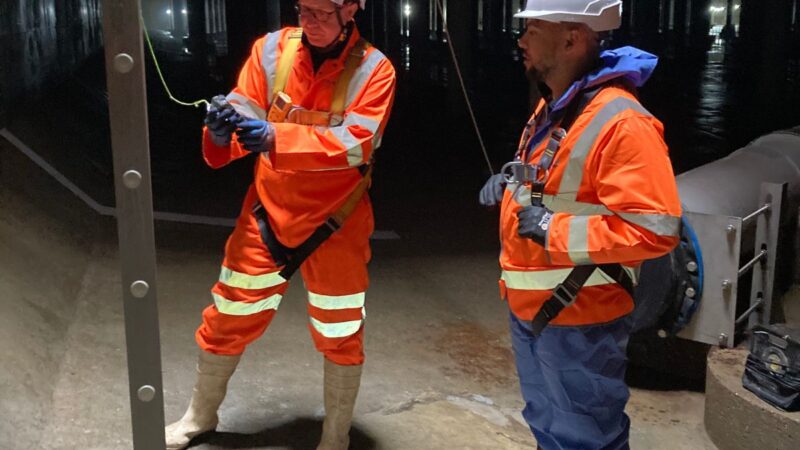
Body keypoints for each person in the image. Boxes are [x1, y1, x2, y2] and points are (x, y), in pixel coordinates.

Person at [165, 1, 396, 449]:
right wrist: (219, 132)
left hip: (335, 224)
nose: (310, 22)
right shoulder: (272, 51)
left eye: (323, 13)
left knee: (340, 331)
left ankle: (335, 436)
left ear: (351, 10)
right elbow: (241, 108)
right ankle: (198, 417)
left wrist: (276, 137)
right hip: (267, 215)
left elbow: (357, 144)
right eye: (303, 10)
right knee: (228, 313)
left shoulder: (375, 70)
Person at [479, 1, 682, 449]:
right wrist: (510, 180)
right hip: (533, 310)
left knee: (585, 438)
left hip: (581, 318)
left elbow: (656, 229)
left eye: (533, 28)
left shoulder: (623, 123)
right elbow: (553, 185)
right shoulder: (555, 108)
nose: (522, 40)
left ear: (572, 39)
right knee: (547, 425)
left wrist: (553, 229)